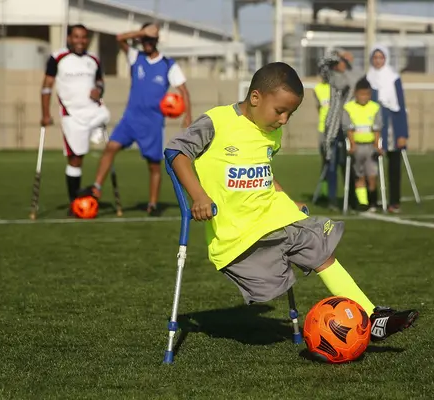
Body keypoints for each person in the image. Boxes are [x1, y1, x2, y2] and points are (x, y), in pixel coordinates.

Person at [165, 62, 418, 341]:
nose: (284, 120)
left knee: (320, 249)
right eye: (280, 111)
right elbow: (176, 152)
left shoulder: (271, 132)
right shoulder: (216, 122)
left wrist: (285, 200)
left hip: (273, 215)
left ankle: (372, 317)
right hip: (237, 234)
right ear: (256, 98)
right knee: (268, 288)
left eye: (291, 114)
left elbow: (265, 172)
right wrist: (198, 196)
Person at [87, 23, 192, 216]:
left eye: (151, 39)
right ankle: (96, 188)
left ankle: (152, 204)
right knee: (110, 147)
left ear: (156, 41)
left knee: (153, 165)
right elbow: (119, 38)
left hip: (152, 122)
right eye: (144, 39)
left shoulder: (168, 64)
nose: (147, 43)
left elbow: (183, 91)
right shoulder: (135, 57)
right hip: (131, 118)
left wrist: (188, 116)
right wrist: (143, 32)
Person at [41, 24, 110, 210]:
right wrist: (45, 113)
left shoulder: (93, 59)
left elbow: (100, 82)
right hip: (71, 114)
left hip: (92, 110)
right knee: (75, 159)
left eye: (84, 37)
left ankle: (95, 134)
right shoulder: (58, 58)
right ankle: (75, 202)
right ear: (69, 38)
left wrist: (99, 90)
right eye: (76, 37)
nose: (80, 41)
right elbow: (47, 85)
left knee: (106, 117)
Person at [366, 45, 409, 214]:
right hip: (374, 126)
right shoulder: (368, 78)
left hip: (392, 125)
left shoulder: (394, 78)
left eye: (381, 58)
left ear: (386, 59)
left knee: (394, 165)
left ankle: (394, 201)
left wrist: (403, 133)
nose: (378, 61)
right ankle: (372, 201)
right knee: (372, 167)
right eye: (375, 58)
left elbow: (401, 106)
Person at [319, 50, 362, 211]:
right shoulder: (332, 76)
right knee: (331, 163)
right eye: (339, 62)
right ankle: (332, 199)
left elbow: (357, 81)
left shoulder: (353, 76)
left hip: (349, 125)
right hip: (333, 125)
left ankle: (352, 198)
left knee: (349, 164)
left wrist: (348, 62)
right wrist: (336, 55)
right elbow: (322, 65)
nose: (341, 64)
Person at [342, 78, 382, 212]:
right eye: (361, 94)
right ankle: (363, 202)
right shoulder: (349, 108)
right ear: (356, 93)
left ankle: (372, 201)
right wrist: (352, 145)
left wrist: (377, 145)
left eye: (366, 94)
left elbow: (377, 129)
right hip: (357, 146)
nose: (364, 97)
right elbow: (349, 129)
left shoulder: (374, 107)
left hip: (370, 146)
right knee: (359, 175)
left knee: (372, 175)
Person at [314, 76, 331, 200]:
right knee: (326, 162)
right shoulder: (318, 88)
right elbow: (318, 108)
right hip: (323, 129)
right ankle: (326, 193)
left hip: (340, 129)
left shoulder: (341, 86)